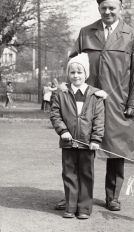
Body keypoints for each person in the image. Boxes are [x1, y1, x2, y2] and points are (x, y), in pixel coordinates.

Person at [54, 0, 134, 211]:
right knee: (80, 149)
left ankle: (112, 197)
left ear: (120, 8)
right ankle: (74, 197)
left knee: (117, 149)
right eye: (104, 8)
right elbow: (73, 64)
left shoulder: (132, 35)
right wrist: (67, 89)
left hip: (118, 102)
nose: (108, 12)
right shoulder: (86, 33)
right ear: (99, 8)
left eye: (112, 8)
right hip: (86, 102)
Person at [50, 53, 105, 219]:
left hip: (88, 144)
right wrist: (63, 131)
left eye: (79, 72)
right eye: (72, 72)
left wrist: (96, 138)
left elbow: (99, 119)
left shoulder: (95, 96)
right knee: (69, 174)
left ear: (85, 74)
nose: (76, 76)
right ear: (68, 74)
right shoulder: (61, 94)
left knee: (86, 175)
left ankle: (84, 208)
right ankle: (71, 205)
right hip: (68, 142)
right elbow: (55, 115)